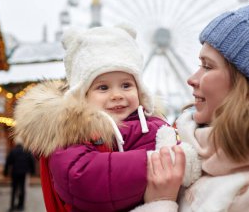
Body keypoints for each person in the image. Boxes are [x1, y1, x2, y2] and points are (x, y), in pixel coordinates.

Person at [133, 0, 249, 211]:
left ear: (248, 85)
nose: (191, 78)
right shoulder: (186, 148)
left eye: (208, 67)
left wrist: (159, 203)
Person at [13, 25, 200, 212]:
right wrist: (155, 162)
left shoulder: (155, 126)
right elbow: (79, 177)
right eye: (103, 88)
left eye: (126, 85)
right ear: (82, 95)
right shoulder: (71, 132)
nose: (117, 95)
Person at [4, 137, 36, 212]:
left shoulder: (13, 151)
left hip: (15, 172)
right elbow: (32, 161)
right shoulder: (26, 151)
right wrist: (32, 171)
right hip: (24, 173)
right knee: (22, 189)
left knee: (14, 189)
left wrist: (5, 172)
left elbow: (8, 162)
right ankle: (21, 205)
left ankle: (12, 206)